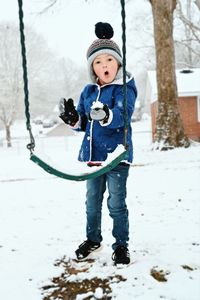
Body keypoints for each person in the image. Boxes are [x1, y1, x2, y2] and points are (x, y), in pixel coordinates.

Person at [59, 22, 137, 265]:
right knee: (92, 203)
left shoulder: (125, 87)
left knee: (116, 204)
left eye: (109, 60)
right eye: (98, 62)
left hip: (116, 156)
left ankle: (121, 245)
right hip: (93, 158)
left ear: (118, 64)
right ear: (93, 68)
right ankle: (93, 239)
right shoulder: (88, 91)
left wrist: (106, 115)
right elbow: (84, 122)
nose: (105, 65)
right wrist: (74, 119)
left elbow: (123, 115)